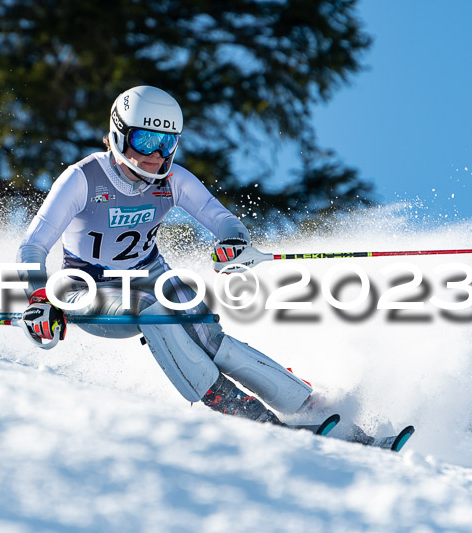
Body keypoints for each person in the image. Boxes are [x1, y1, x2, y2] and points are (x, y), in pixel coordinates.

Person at [16, 85, 314, 425]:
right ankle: (240, 409)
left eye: (167, 142)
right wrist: (38, 297)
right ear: (118, 134)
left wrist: (233, 242)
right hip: (85, 286)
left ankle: (306, 404)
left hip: (150, 273)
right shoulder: (82, 179)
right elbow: (33, 246)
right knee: (151, 309)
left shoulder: (172, 180)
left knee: (209, 339)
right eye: (145, 140)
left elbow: (222, 219)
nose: (156, 154)